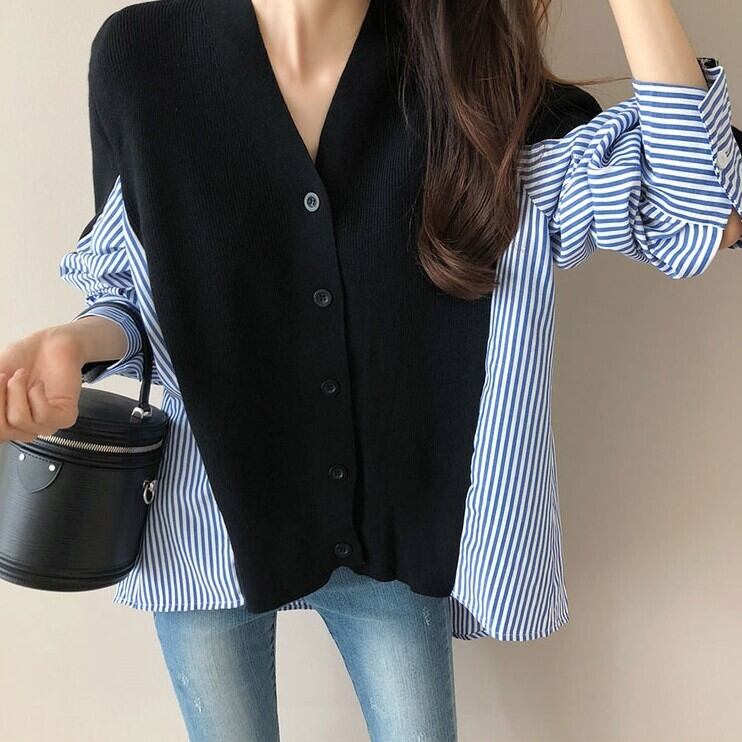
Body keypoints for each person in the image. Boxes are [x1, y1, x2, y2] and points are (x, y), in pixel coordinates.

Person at [1, 0, 741, 740]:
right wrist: (77, 341)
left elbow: (700, 216)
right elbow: (137, 287)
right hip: (206, 519)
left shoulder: (470, 76)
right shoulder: (142, 54)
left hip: (395, 531)